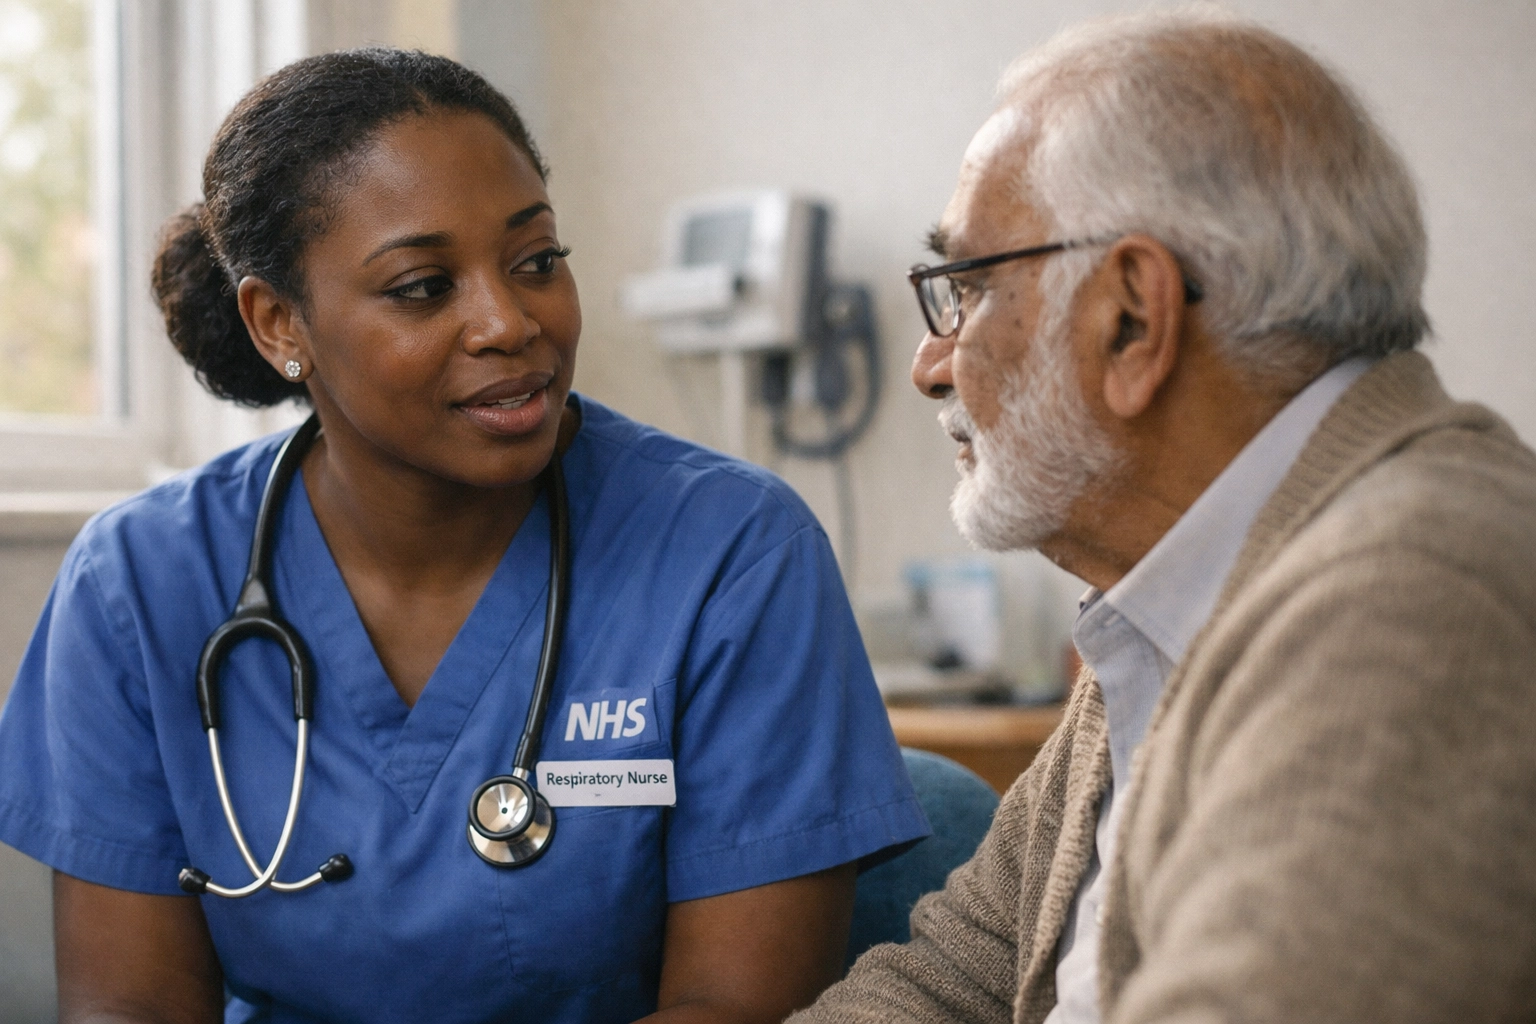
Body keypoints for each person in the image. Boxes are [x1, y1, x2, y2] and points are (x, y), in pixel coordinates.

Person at [0, 49, 929, 1024]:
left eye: (536, 262)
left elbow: (736, 1007)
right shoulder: (137, 583)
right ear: (281, 324)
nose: (508, 322)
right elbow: (128, 1007)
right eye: (422, 285)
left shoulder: (732, 555)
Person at [792, 9, 1536, 1024]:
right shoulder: (1170, 608)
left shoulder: (1414, 598)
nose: (932, 365)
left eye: (964, 291)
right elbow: (943, 985)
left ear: (1132, 314)